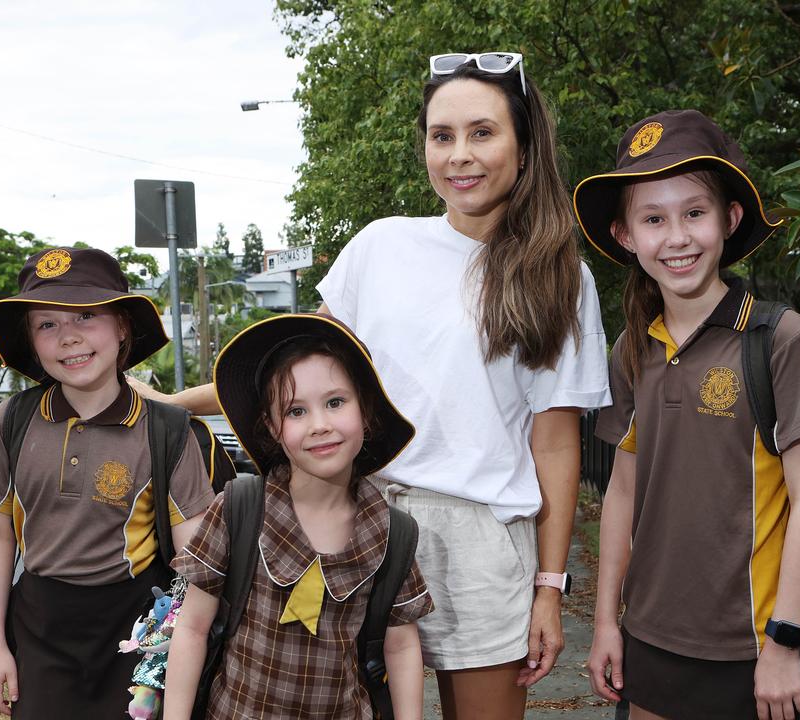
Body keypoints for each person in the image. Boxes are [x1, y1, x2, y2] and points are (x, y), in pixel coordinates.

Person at [138, 52, 610, 718]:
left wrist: (549, 589)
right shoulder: (381, 246)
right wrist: (168, 403)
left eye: (483, 132)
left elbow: (557, 447)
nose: (459, 155)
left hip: (483, 543)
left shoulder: (560, 279)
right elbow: (295, 371)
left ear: (525, 145)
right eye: (441, 136)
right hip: (362, 522)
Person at [576, 109, 800, 720]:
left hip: (750, 650)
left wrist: (784, 643)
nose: (676, 237)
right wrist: (606, 624)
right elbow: (620, 493)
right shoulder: (631, 348)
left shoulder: (778, 337)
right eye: (653, 219)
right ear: (624, 235)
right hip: (649, 640)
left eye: (694, 212)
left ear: (729, 219)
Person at [0, 246, 215, 718]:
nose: (68, 338)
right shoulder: (11, 421)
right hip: (39, 632)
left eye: (85, 317)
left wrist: (185, 647)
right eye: (47, 324)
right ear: (32, 342)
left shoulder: (166, 430)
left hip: (138, 630)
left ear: (122, 326)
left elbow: (196, 558)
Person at [162, 313, 432, 719]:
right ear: (271, 427)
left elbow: (402, 645)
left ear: (367, 411)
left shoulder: (393, 533)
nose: (320, 425)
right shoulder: (240, 507)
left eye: (335, 402)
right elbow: (193, 627)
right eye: (296, 411)